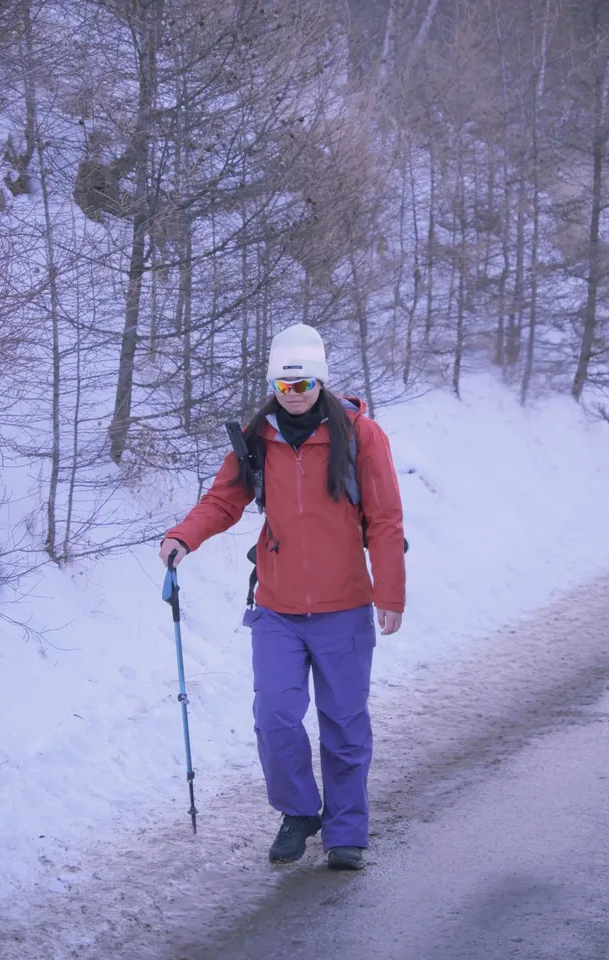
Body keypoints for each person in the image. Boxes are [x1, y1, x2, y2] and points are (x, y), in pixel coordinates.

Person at [160, 323, 406, 871]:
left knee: (344, 724)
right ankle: (299, 812)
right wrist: (182, 536)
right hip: (277, 606)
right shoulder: (258, 437)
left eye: (304, 385)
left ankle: (346, 832)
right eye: (283, 386)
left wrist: (390, 592)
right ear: (273, 384)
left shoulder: (363, 437)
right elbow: (223, 501)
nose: (294, 396)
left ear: (321, 379)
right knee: (274, 716)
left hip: (344, 607)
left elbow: (386, 519)